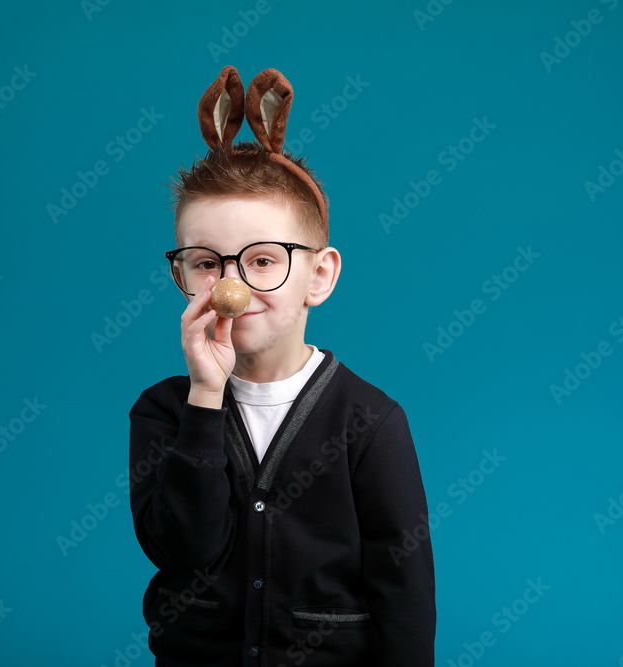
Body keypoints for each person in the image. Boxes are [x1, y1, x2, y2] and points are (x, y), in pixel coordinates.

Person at [128, 66, 435, 667]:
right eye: (206, 262)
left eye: (263, 260)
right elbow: (184, 551)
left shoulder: (369, 421)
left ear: (319, 275)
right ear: (180, 274)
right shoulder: (164, 410)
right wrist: (205, 397)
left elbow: (404, 590)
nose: (231, 286)